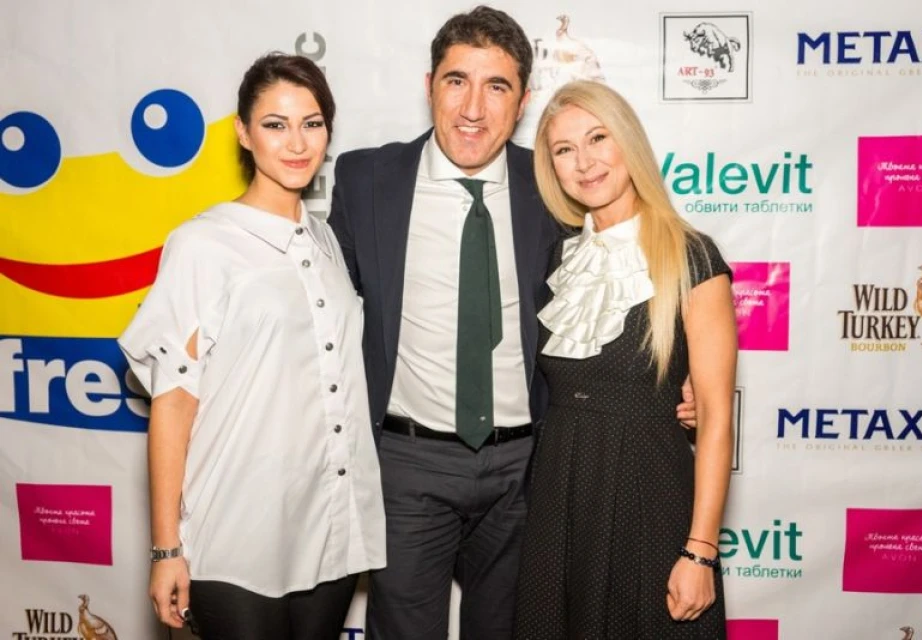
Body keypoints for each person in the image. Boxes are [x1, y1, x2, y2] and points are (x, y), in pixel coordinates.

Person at [329, 8, 698, 639]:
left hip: (528, 471)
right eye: (457, 81)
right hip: (408, 465)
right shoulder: (367, 178)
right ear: (429, 86)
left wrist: (678, 372)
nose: (473, 108)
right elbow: (321, 301)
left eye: (496, 86)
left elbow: (631, 264)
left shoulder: (554, 183)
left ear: (523, 101)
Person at [119, 53, 385, 640]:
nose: (297, 143)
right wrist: (165, 549)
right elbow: (173, 403)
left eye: (312, 124)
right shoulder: (202, 244)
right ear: (243, 132)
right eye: (275, 124)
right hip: (237, 532)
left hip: (328, 527)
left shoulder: (326, 242)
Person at [511, 80, 737, 639]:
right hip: (559, 497)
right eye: (564, 150)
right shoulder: (558, 259)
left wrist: (701, 551)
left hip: (649, 495)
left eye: (598, 138)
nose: (584, 162)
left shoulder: (691, 255)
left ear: (628, 141)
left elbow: (715, 417)